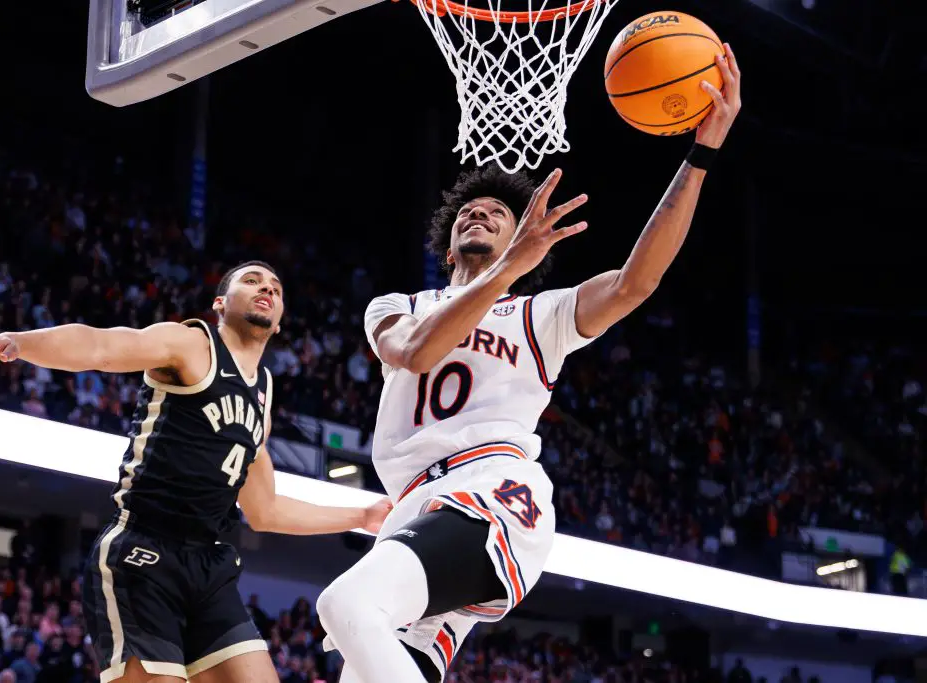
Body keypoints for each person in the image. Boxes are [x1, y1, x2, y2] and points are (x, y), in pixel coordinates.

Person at [316, 46, 742, 683]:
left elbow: (635, 283)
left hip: (490, 492)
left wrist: (701, 153)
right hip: (413, 506)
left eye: (496, 212)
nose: (477, 211)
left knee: (345, 604)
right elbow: (417, 352)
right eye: (468, 210)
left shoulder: (539, 316)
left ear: (521, 239)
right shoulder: (398, 305)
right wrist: (504, 268)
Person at [0, 261, 392, 683]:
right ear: (221, 303)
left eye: (275, 288)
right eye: (253, 281)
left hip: (210, 567)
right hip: (143, 552)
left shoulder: (263, 394)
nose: (267, 289)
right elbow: (101, 346)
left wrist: (361, 517)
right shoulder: (190, 342)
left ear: (279, 320)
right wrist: (22, 343)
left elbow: (265, 509)